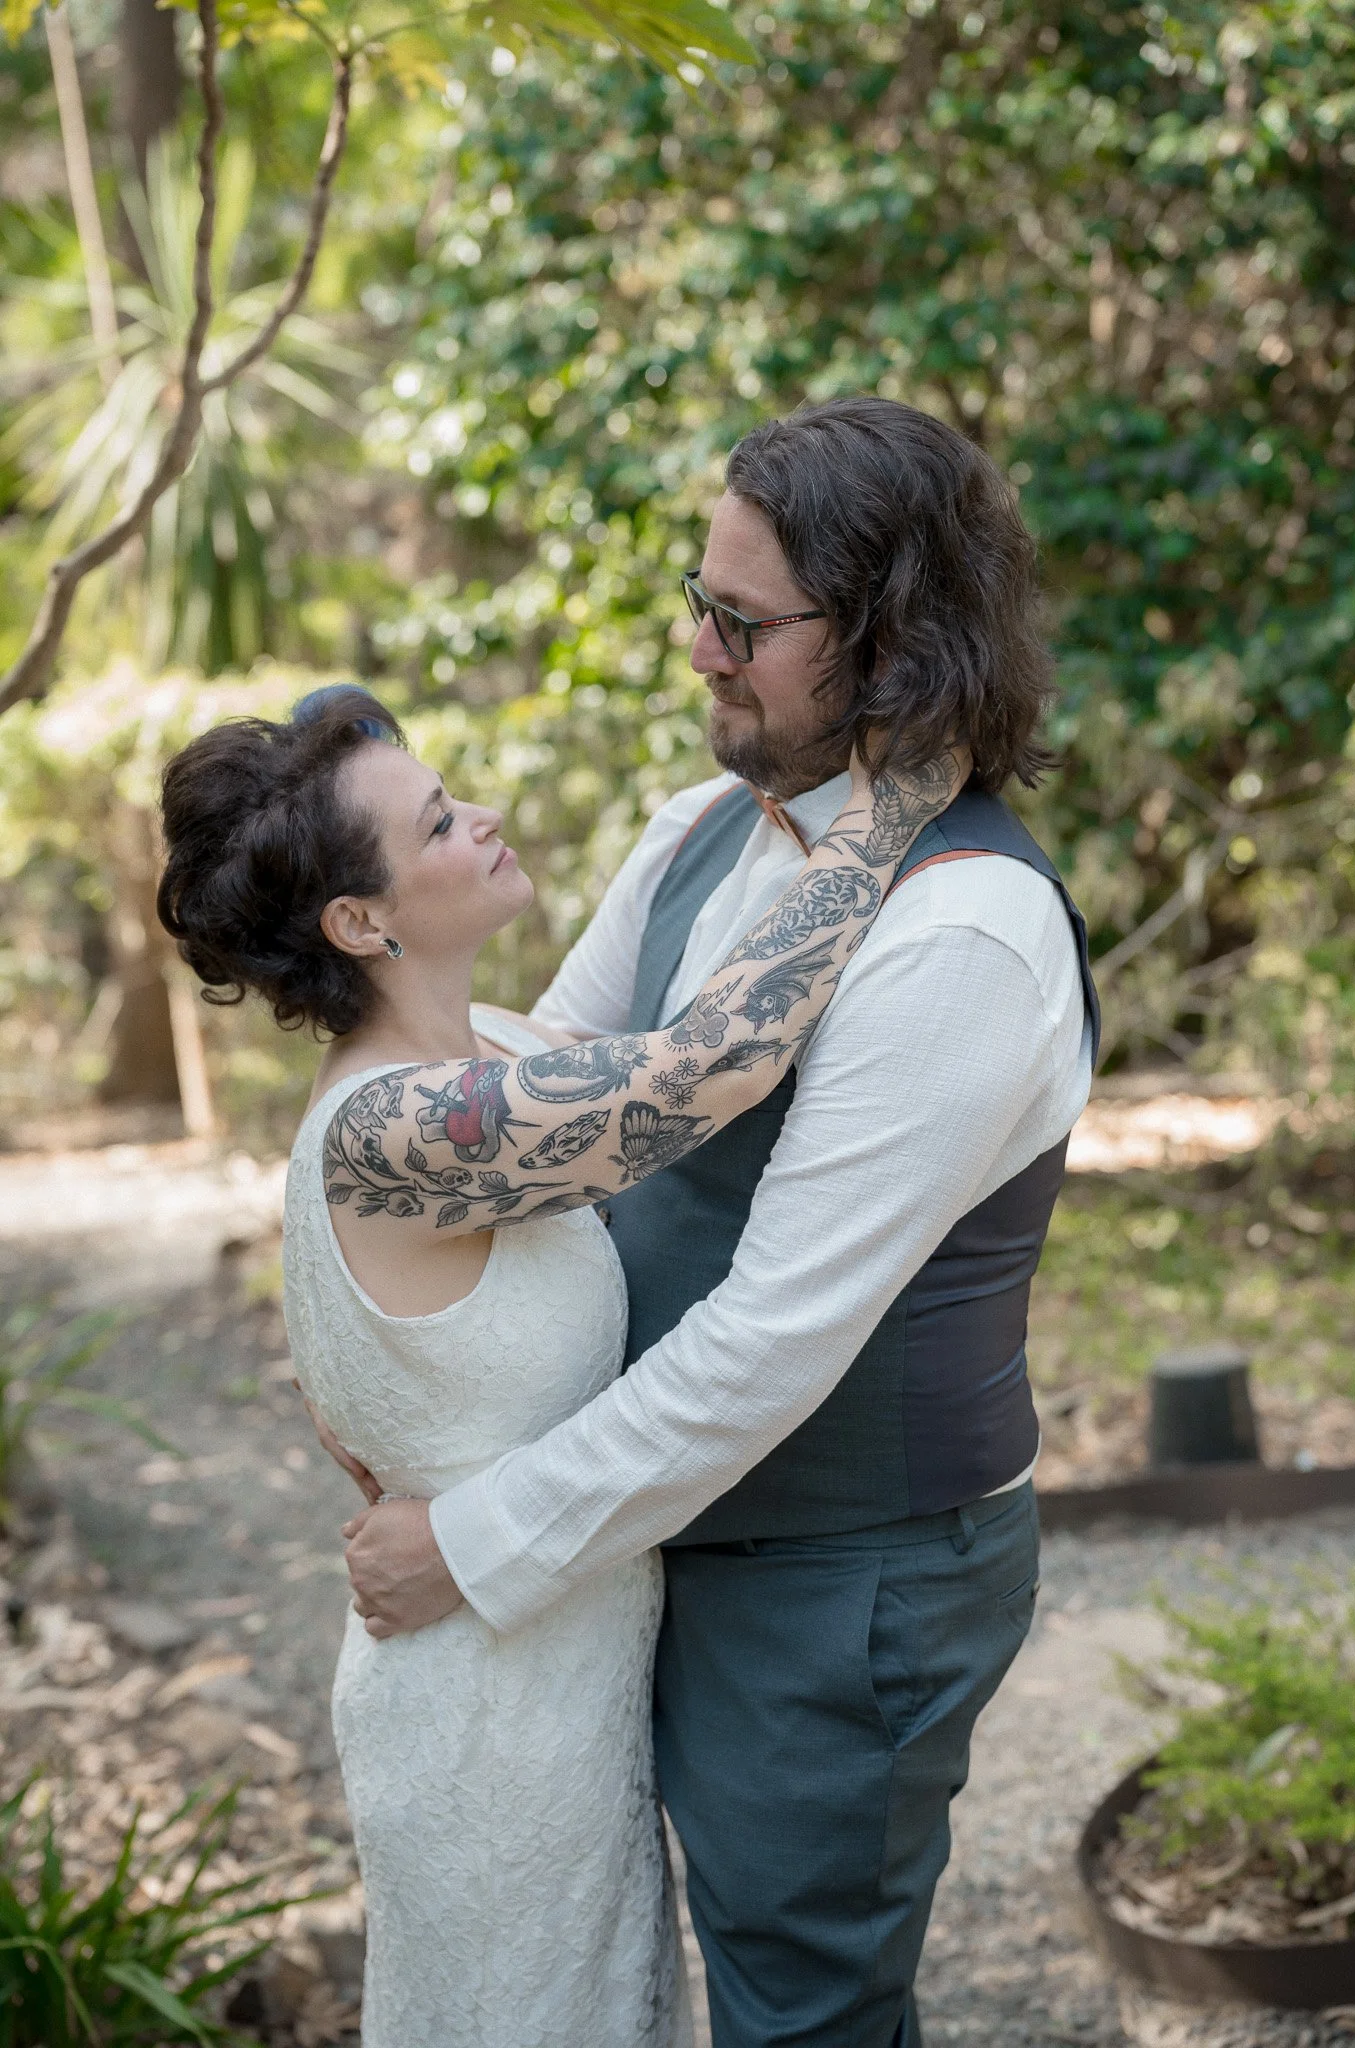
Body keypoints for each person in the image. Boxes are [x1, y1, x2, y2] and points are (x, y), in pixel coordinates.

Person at [334, 397, 1101, 2047]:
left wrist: (470, 1544)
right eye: (699, 602)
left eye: (742, 624)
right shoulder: (697, 834)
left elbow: (770, 1344)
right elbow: (546, 1108)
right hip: (660, 1522)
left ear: (893, 641)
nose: (700, 651)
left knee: (797, 2013)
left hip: (846, 1577)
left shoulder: (964, 933)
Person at [156, 682, 965, 2048]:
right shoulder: (406, 1131)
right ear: (364, 921)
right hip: (488, 1726)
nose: (487, 820)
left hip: (552, 1673)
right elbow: (712, 1063)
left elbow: (659, 1028)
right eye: (440, 823)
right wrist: (891, 807)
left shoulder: (493, 1061)